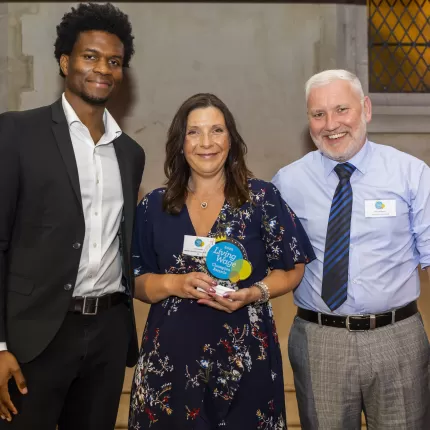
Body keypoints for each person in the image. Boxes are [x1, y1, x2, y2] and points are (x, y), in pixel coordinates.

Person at [128, 93, 315, 429]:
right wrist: (174, 283)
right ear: (180, 143)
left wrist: (255, 292)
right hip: (169, 364)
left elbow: (293, 267)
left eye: (216, 130)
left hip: (247, 362)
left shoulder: (261, 198)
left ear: (231, 139)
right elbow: (137, 279)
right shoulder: (154, 207)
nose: (206, 143)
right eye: (194, 132)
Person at [0, 3, 145, 429]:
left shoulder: (130, 153)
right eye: (90, 56)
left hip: (107, 335)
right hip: (35, 337)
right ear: (65, 62)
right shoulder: (16, 133)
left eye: (114, 61)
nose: (103, 68)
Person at [272, 69, 430, 430]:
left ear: (366, 109)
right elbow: (273, 259)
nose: (331, 124)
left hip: (398, 339)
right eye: (319, 114)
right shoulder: (287, 183)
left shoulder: (411, 174)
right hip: (319, 341)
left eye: (342, 109)